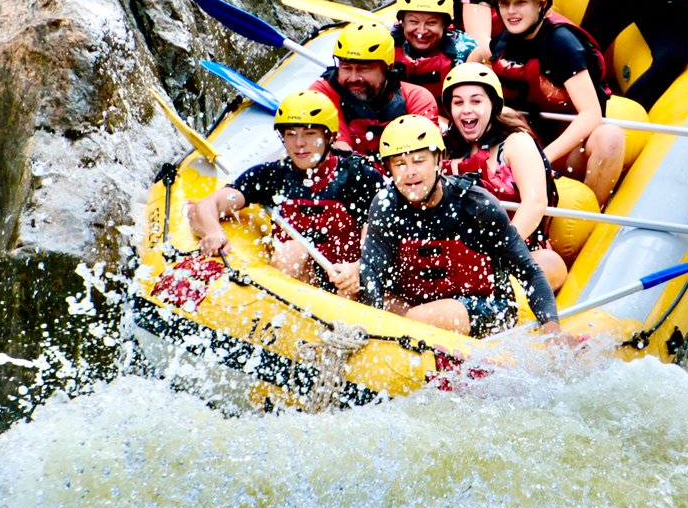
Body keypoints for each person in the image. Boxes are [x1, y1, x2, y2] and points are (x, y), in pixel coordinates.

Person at [359, 114, 563, 338]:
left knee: (422, 318)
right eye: (400, 164)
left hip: (486, 306)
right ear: (389, 169)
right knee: (355, 296)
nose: (410, 173)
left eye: (419, 160)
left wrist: (552, 332)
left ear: (438, 161)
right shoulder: (385, 205)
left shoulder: (477, 204)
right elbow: (372, 275)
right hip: (418, 303)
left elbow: (529, 272)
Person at [188, 90, 381, 297]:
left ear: (330, 137)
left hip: (349, 285)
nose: (299, 143)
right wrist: (213, 232)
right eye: (291, 134)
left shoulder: (360, 178)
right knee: (293, 251)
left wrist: (355, 269)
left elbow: (378, 246)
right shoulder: (271, 176)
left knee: (347, 281)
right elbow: (207, 206)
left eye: (309, 133)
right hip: (296, 284)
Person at [488, 0, 626, 207]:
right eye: (505, 3)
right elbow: (479, 58)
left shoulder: (561, 44)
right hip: (524, 141)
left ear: (542, 5)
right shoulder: (502, 42)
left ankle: (593, 210)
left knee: (610, 137)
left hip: (566, 149)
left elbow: (591, 115)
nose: (510, 11)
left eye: (520, 2)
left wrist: (541, 158)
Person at [441, 63, 567, 292]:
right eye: (458, 102)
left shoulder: (515, 142)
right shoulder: (444, 150)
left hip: (516, 249)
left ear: (493, 105)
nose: (466, 109)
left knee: (549, 263)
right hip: (460, 255)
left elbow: (535, 203)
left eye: (476, 101)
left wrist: (497, 253)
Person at [309, 23, 439, 157]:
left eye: (364, 69)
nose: (354, 78)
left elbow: (423, 159)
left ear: (387, 67)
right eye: (346, 68)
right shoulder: (321, 95)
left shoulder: (416, 98)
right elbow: (340, 152)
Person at [390, 0, 477, 102]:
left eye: (431, 23)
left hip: (444, 118)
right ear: (402, 22)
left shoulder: (466, 50)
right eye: (413, 22)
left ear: (445, 24)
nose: (421, 31)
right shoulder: (385, 45)